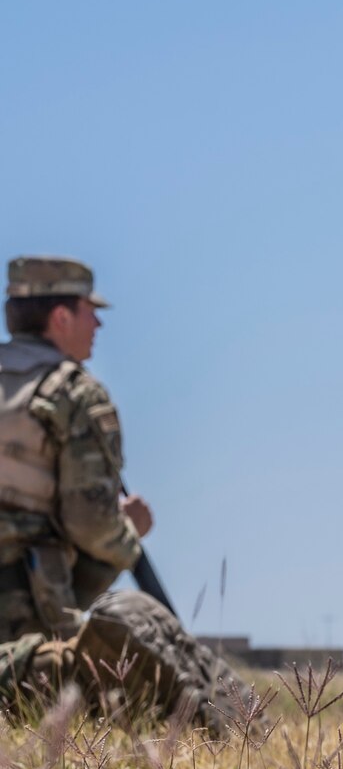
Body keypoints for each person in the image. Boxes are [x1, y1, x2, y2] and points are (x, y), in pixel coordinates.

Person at [0, 256, 253, 732]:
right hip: (26, 616)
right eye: (87, 310)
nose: (96, 322)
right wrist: (129, 531)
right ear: (60, 317)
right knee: (127, 634)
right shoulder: (72, 393)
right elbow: (90, 524)